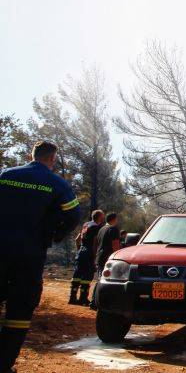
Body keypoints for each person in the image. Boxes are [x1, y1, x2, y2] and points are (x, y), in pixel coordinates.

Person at [0, 141, 80, 373]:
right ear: (52, 159)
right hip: (30, 254)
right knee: (20, 310)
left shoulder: (6, 175)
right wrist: (56, 235)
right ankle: (4, 364)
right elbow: (74, 214)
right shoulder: (57, 183)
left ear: (31, 155)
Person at [69, 209, 105, 306]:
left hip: (81, 251)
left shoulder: (86, 225)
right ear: (100, 217)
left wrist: (79, 250)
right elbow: (95, 243)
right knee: (87, 275)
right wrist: (94, 257)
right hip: (89, 252)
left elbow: (77, 239)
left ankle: (72, 298)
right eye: (103, 216)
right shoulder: (96, 227)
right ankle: (83, 299)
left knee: (77, 274)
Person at [89, 212, 121, 310]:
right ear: (114, 219)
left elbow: (95, 244)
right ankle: (95, 302)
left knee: (100, 279)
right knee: (104, 280)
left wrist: (95, 257)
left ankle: (94, 302)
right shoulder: (113, 229)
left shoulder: (101, 229)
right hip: (108, 258)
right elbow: (115, 245)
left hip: (100, 257)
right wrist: (118, 257)